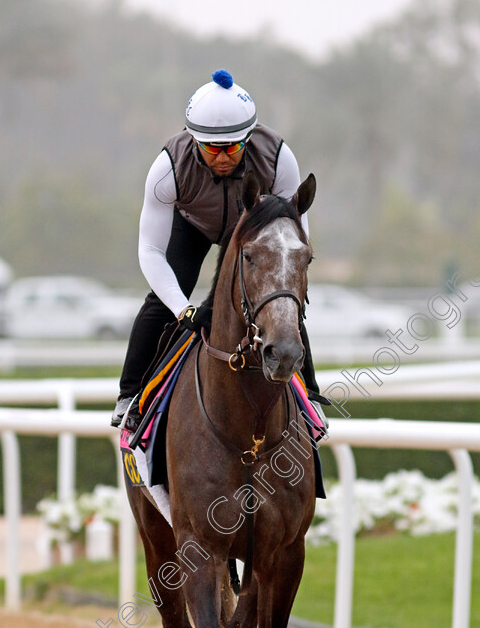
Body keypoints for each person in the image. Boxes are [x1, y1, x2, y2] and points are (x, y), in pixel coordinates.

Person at [111, 69, 327, 429]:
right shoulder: (168, 167)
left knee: (285, 304)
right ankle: (129, 393)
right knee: (158, 303)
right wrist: (183, 309)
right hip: (192, 226)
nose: (224, 156)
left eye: (234, 147)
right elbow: (150, 250)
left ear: (249, 138)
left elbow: (295, 232)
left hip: (253, 226)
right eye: (212, 148)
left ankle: (311, 394)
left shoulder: (277, 157)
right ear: (193, 139)